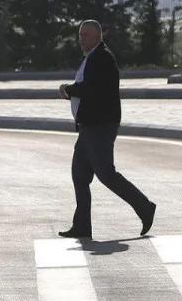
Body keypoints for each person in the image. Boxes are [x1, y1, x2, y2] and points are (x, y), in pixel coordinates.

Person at [57, 19, 157, 239]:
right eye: (80, 34)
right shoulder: (91, 58)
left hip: (99, 127)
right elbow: (89, 92)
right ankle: (82, 225)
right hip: (89, 127)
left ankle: (145, 207)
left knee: (106, 174)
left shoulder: (102, 58)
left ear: (97, 37)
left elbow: (92, 89)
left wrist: (69, 89)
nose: (81, 38)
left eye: (85, 35)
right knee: (79, 175)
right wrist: (72, 93)